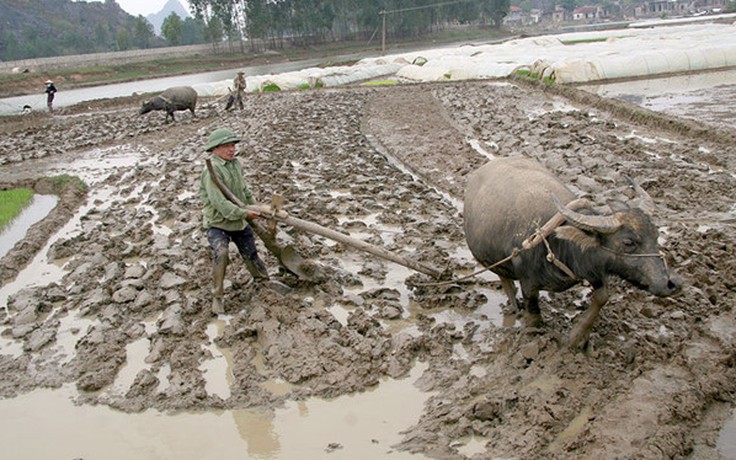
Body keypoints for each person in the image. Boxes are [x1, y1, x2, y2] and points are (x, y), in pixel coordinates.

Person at [200, 127, 269, 314]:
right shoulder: (211, 171)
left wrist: (256, 207)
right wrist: (244, 214)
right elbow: (219, 203)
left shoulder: (235, 164)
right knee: (221, 253)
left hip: (239, 219)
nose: (231, 149)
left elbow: (244, 191)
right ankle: (218, 296)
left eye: (233, 146)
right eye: (226, 146)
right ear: (214, 149)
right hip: (218, 222)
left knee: (251, 253)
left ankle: (263, 282)